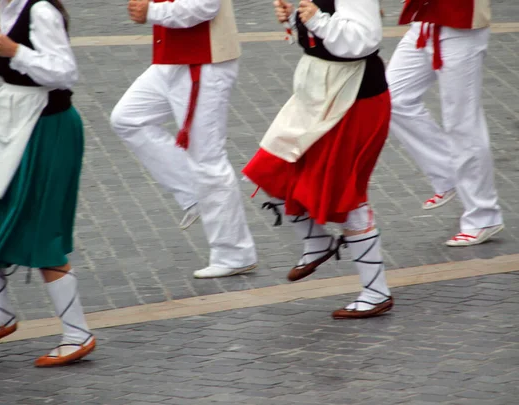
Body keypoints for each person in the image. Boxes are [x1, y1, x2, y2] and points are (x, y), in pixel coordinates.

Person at [0, 0, 95, 367]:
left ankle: (77, 333)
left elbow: (63, 72)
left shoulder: (40, 11)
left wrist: (15, 51)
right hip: (14, 125)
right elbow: (18, 68)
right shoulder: (6, 9)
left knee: (41, 232)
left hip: (46, 130)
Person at [242, 0, 393, 319]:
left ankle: (376, 291)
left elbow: (365, 39)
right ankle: (317, 242)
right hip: (319, 94)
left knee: (348, 195)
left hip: (354, 99)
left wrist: (318, 20)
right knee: (270, 170)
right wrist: (297, 19)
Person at [110, 0, 258, 278]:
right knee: (127, 118)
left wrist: (151, 12)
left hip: (204, 61)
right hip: (174, 59)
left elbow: (205, 6)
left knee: (207, 158)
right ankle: (194, 193)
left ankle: (234, 253)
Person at [387, 0, 504, 246]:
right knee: (392, 99)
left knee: (462, 123)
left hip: (460, 26)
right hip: (426, 21)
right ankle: (448, 172)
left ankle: (483, 216)